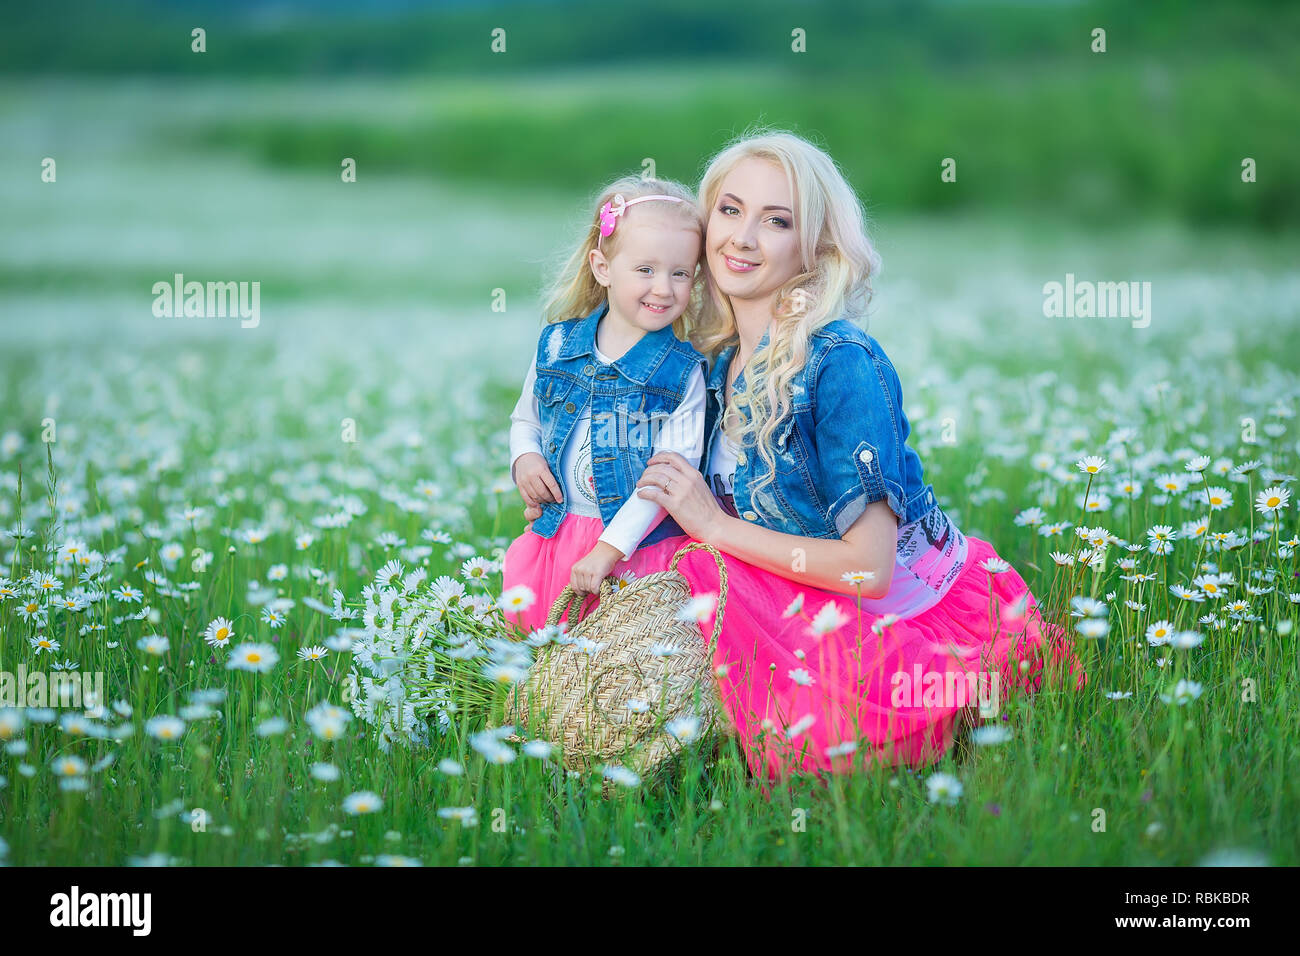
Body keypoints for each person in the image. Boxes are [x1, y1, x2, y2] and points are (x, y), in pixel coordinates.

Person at [621, 131, 1085, 781]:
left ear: (815, 249)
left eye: (776, 221)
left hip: (913, 627)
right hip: (811, 602)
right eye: (729, 210)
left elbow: (868, 570)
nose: (743, 238)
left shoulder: (840, 365)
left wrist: (716, 527)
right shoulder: (718, 366)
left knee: (709, 562)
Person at [501, 176, 706, 636]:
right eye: (646, 269)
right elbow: (525, 419)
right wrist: (524, 457)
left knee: (617, 668)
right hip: (556, 536)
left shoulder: (682, 372)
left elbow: (670, 475)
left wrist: (608, 550)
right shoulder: (557, 345)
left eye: (680, 273)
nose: (664, 288)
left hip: (635, 548)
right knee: (541, 657)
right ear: (603, 266)